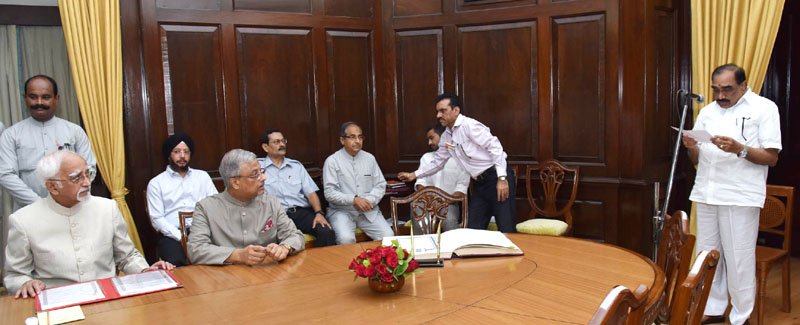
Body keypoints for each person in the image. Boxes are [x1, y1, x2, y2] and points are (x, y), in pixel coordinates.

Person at [682, 64, 781, 325]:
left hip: (740, 195)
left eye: (728, 89)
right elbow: (696, 159)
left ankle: (741, 316)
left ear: (743, 86)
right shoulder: (706, 112)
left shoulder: (764, 108)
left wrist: (741, 149)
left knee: (739, 259)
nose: (721, 95)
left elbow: (771, 157)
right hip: (706, 192)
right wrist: (691, 146)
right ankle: (713, 307)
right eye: (716, 89)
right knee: (708, 254)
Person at [4, 151, 173, 298]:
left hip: (109, 298)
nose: (86, 182)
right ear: (52, 187)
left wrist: (145, 272)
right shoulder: (23, 220)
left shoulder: (107, 209)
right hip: (58, 303)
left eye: (88, 174)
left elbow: (127, 257)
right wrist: (25, 283)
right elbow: (15, 275)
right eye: (76, 177)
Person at [398, 93, 516, 232]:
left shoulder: (469, 126)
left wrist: (502, 179)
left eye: (443, 111)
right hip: (480, 183)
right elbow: (437, 163)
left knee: (506, 227)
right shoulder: (447, 135)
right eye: (437, 111)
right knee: (473, 230)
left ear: (456, 111)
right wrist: (413, 175)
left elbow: (495, 147)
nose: (438, 115)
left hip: (496, 178)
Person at [188, 149, 305, 265]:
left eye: (262, 171)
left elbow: (295, 236)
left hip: (267, 273)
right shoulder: (206, 208)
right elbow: (196, 249)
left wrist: (284, 247)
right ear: (235, 183)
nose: (264, 178)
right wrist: (237, 255)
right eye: (255, 174)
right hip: (225, 278)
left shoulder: (271, 203)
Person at [0, 75, 96, 211]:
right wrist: (37, 204)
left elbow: (89, 169)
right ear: (25, 98)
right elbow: (6, 174)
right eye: (33, 97)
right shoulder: (11, 135)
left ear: (56, 98)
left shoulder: (74, 131)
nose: (39, 102)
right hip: (29, 211)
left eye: (46, 97)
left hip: (72, 207)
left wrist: (66, 199)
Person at [146, 133, 218, 266]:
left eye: (186, 152)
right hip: (173, 234)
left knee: (219, 256)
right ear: (169, 154)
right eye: (177, 152)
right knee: (175, 263)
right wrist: (181, 237)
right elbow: (157, 219)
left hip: (203, 230)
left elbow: (215, 205)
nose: (182, 156)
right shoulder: (156, 183)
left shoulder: (202, 177)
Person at [259, 128, 336, 247]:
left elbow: (311, 193)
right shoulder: (258, 168)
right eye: (276, 142)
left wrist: (319, 213)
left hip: (300, 212)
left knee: (326, 231)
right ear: (265, 147)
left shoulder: (296, 166)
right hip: (274, 215)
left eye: (283, 141)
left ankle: (322, 264)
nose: (281, 144)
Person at [323, 122, 394, 244]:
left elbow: (380, 185)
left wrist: (368, 201)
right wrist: (354, 199)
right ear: (342, 140)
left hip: (368, 210)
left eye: (360, 137)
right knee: (346, 239)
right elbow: (329, 193)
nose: (357, 141)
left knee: (388, 237)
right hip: (342, 212)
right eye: (352, 137)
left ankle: (375, 263)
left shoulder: (369, 158)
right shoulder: (332, 161)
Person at [414, 123, 470, 231]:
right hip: (425, 202)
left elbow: (461, 190)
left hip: (450, 204)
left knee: (448, 220)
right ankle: (422, 247)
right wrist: (429, 201)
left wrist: (441, 203)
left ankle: (453, 248)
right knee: (419, 217)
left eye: (431, 138)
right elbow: (421, 182)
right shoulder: (426, 158)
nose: (429, 143)